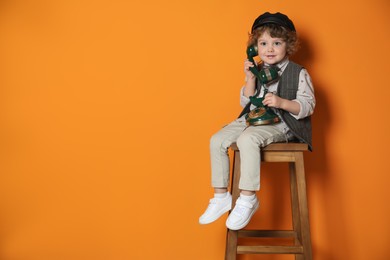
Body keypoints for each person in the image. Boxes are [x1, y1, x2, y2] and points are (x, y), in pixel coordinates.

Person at [199, 12, 315, 230]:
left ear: (287, 45)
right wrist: (250, 78)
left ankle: (247, 198)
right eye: (263, 43)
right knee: (217, 140)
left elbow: (307, 106)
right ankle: (221, 196)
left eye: (276, 43)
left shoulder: (298, 72)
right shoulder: (258, 68)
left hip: (282, 122)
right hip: (254, 118)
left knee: (247, 140)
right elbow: (247, 102)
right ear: (255, 48)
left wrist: (281, 102)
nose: (269, 49)